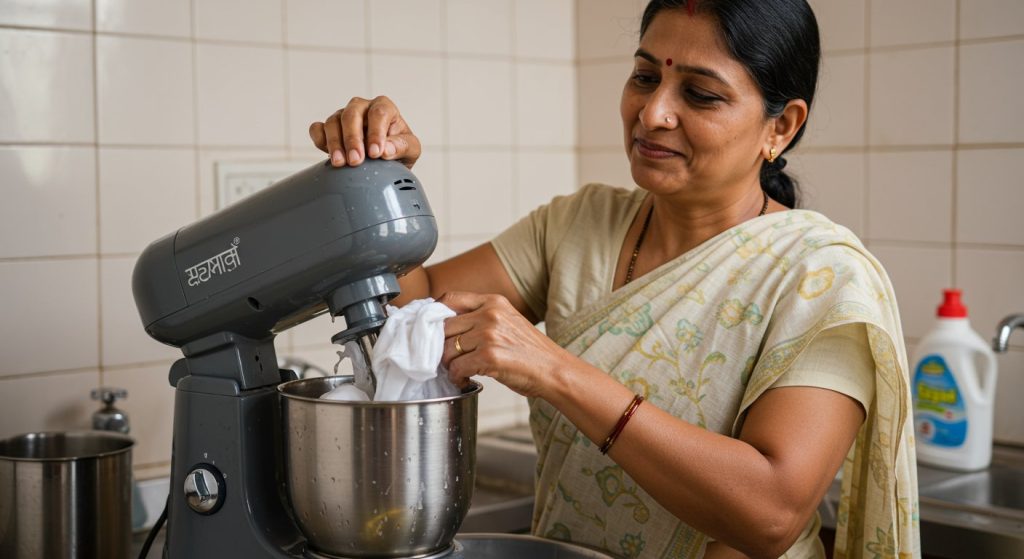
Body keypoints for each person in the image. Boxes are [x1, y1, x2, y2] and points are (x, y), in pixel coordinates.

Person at [309, 0, 919, 557]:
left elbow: (770, 514)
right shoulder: (578, 224)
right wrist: (382, 182)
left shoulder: (823, 278)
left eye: (701, 95)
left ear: (780, 127)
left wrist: (555, 370)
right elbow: (401, 306)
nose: (652, 114)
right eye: (646, 76)